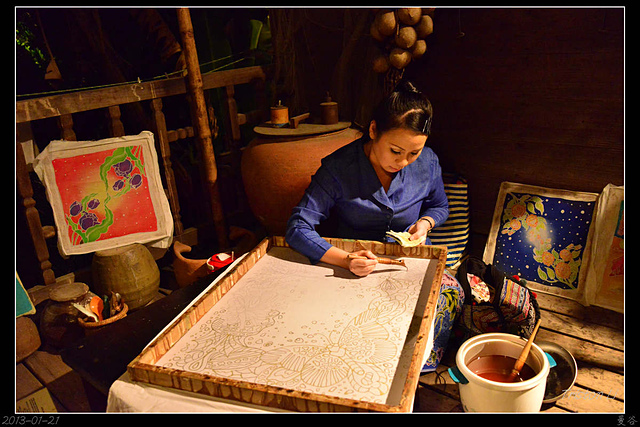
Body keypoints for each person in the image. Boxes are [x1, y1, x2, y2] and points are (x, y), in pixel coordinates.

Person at [285, 80, 449, 277]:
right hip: (354, 266)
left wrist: (426, 223)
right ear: (373, 130)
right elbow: (298, 227)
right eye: (395, 151)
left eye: (414, 153)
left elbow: (439, 206)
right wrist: (346, 260)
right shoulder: (338, 169)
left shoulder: (428, 163)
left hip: (412, 261)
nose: (404, 162)